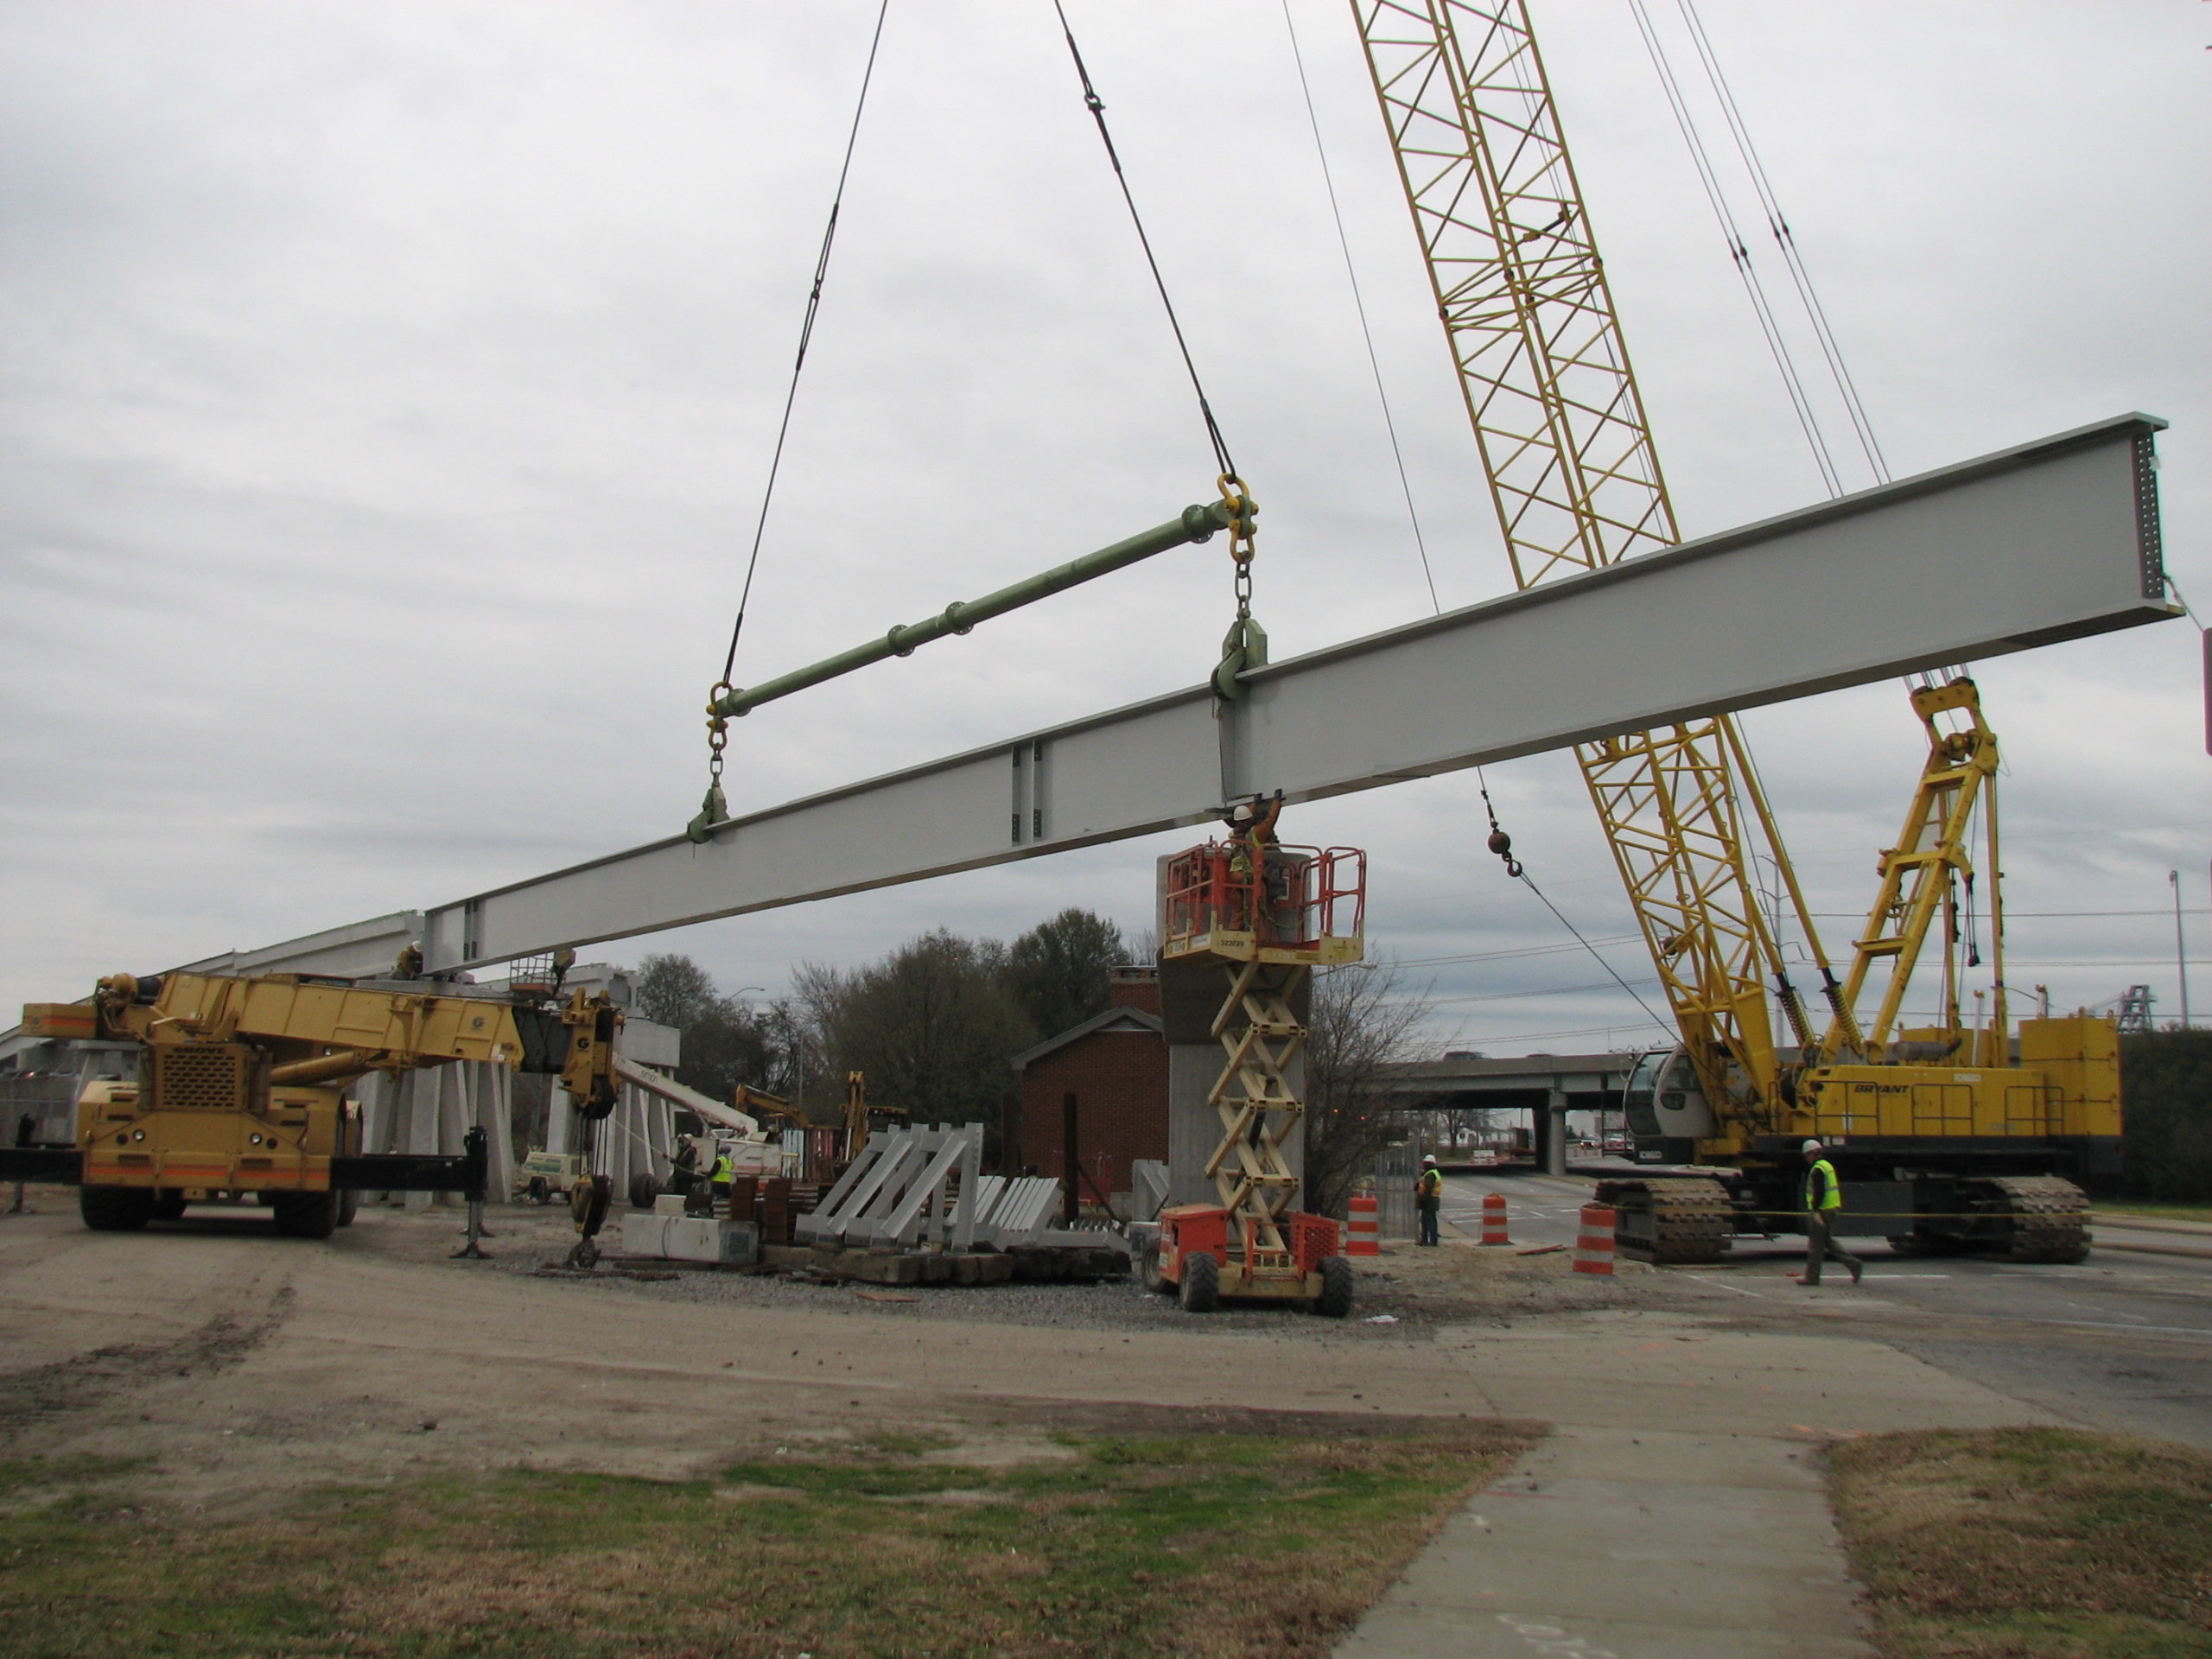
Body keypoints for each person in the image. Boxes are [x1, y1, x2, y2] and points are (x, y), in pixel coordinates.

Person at [1798, 1138, 1863, 1286]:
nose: (1806, 1159)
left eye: (1806, 1155)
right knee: (1828, 1242)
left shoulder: (1818, 1169)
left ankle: (1812, 1277)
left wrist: (1815, 1212)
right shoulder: (1827, 1165)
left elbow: (1819, 1192)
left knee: (1816, 1245)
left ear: (1810, 1154)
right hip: (1832, 1208)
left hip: (1823, 1211)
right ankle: (1854, 1264)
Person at [1415, 1154, 1443, 1246]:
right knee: (1427, 1220)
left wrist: (1423, 1200)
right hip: (1431, 1200)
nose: (1423, 1165)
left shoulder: (1430, 1174)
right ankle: (1427, 1240)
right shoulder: (1431, 1173)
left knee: (1429, 1221)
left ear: (1429, 1164)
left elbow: (1428, 1188)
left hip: (1429, 1201)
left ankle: (1429, 1241)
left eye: (1425, 1163)